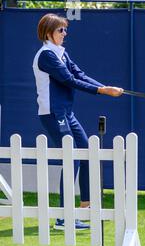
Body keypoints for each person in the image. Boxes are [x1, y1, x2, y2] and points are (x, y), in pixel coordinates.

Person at [32, 13, 123, 230]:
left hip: (66, 113)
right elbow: (69, 80)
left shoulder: (61, 53)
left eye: (65, 29)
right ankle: (64, 218)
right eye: (60, 30)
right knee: (71, 158)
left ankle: (83, 206)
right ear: (48, 33)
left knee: (86, 154)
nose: (65, 33)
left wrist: (105, 87)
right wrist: (103, 91)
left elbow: (79, 74)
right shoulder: (46, 55)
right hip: (53, 113)